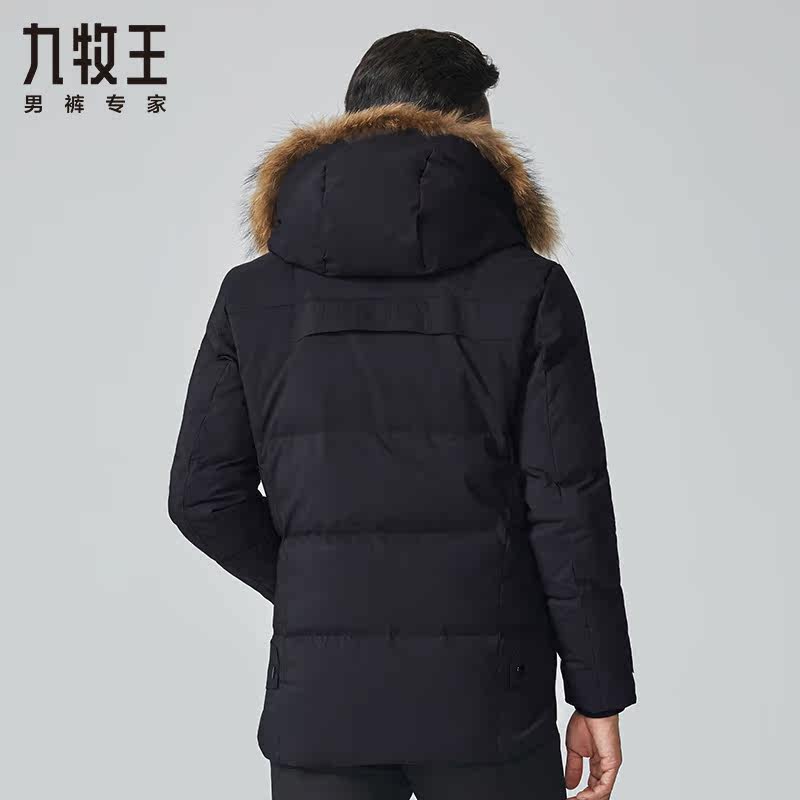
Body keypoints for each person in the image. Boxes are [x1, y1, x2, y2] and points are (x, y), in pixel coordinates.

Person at [168, 28, 636, 800]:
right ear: (472, 133)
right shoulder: (530, 291)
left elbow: (202, 496)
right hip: (489, 699)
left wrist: (320, 585)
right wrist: (598, 692)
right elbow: (567, 508)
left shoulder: (253, 296)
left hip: (324, 706)